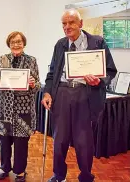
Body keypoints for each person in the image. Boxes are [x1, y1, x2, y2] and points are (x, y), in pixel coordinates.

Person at [41, 9, 117, 182]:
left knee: (83, 141)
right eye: (64, 23)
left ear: (81, 24)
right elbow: (52, 72)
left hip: (85, 94)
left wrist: (99, 80)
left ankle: (86, 176)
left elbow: (110, 70)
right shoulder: (60, 44)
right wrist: (47, 92)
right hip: (62, 93)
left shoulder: (97, 42)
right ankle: (59, 175)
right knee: (59, 140)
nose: (67, 27)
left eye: (71, 22)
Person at [0, 31, 41, 182]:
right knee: (4, 141)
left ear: (24, 43)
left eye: (19, 41)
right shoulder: (3, 59)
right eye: (13, 42)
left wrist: (33, 84)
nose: (16, 44)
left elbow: (38, 85)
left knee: (21, 143)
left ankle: (20, 171)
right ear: (9, 44)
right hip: (5, 107)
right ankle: (4, 167)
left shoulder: (31, 60)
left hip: (23, 109)